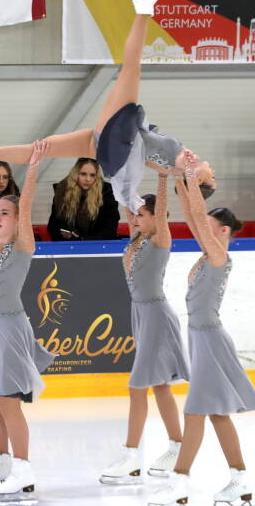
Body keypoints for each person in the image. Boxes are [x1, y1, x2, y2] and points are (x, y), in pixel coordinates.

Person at [0, 0, 216, 213]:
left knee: (130, 70)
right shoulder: (175, 168)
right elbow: (151, 158)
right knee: (43, 148)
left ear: (198, 181)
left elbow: (176, 169)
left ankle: (144, 7)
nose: (212, 173)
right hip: (108, 145)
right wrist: (181, 172)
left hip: (119, 138)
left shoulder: (183, 166)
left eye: (211, 179)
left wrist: (188, 172)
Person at [148, 151, 255, 506]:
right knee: (215, 414)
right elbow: (193, 217)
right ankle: (239, 480)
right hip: (202, 338)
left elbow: (196, 214)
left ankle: (179, 484)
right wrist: (175, 177)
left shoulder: (219, 256)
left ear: (223, 231)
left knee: (196, 412)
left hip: (210, 339)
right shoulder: (207, 252)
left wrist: (193, 181)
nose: (200, 230)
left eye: (209, 227)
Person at [0, 140, 56, 501]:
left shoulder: (23, 247)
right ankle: (1, 460)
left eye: (5, 212)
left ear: (18, 220)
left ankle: (23, 469)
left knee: (8, 402)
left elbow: (27, 201)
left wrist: (33, 167)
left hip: (11, 329)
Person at [99, 171, 189, 485]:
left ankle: (132, 453)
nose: (135, 219)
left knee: (137, 386)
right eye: (134, 214)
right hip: (141, 314)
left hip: (156, 316)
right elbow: (126, 204)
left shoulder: (161, 238)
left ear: (158, 217)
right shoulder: (136, 240)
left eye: (142, 214)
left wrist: (164, 177)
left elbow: (160, 209)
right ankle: (178, 446)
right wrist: (119, 180)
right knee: (160, 385)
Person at [47, 158, 120, 241]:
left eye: (92, 175)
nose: (88, 179)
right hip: (69, 247)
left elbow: (110, 226)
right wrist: (69, 240)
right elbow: (53, 226)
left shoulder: (106, 192)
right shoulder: (62, 192)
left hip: (99, 246)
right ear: (75, 174)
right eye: (83, 174)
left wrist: (84, 240)